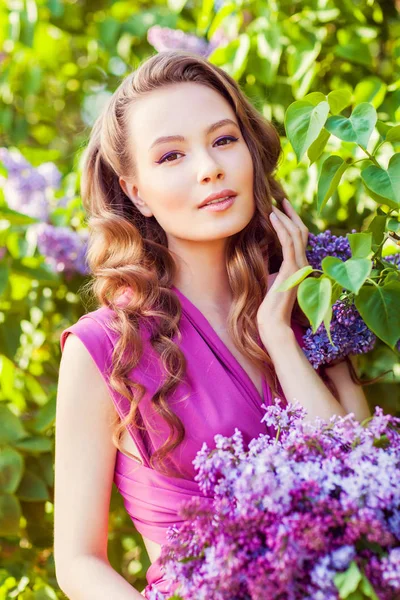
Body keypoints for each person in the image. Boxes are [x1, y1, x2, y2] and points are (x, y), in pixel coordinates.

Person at [53, 50, 372, 599]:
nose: (209, 167)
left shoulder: (310, 301)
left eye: (224, 140)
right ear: (135, 192)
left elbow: (360, 481)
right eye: (172, 155)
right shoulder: (104, 346)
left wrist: (280, 336)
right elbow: (78, 561)